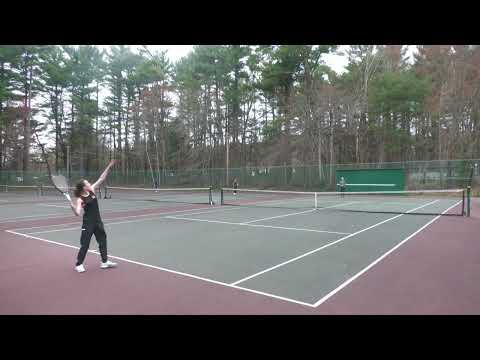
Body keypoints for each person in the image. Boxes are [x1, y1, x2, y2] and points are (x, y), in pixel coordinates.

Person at [67, 160, 117, 273]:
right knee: (85, 244)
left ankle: (104, 262)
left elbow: (101, 178)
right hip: (88, 224)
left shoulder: (92, 190)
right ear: (84, 187)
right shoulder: (80, 199)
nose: (90, 183)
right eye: (87, 183)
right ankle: (78, 264)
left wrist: (109, 166)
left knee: (102, 240)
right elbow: (77, 214)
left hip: (98, 222)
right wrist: (73, 207)